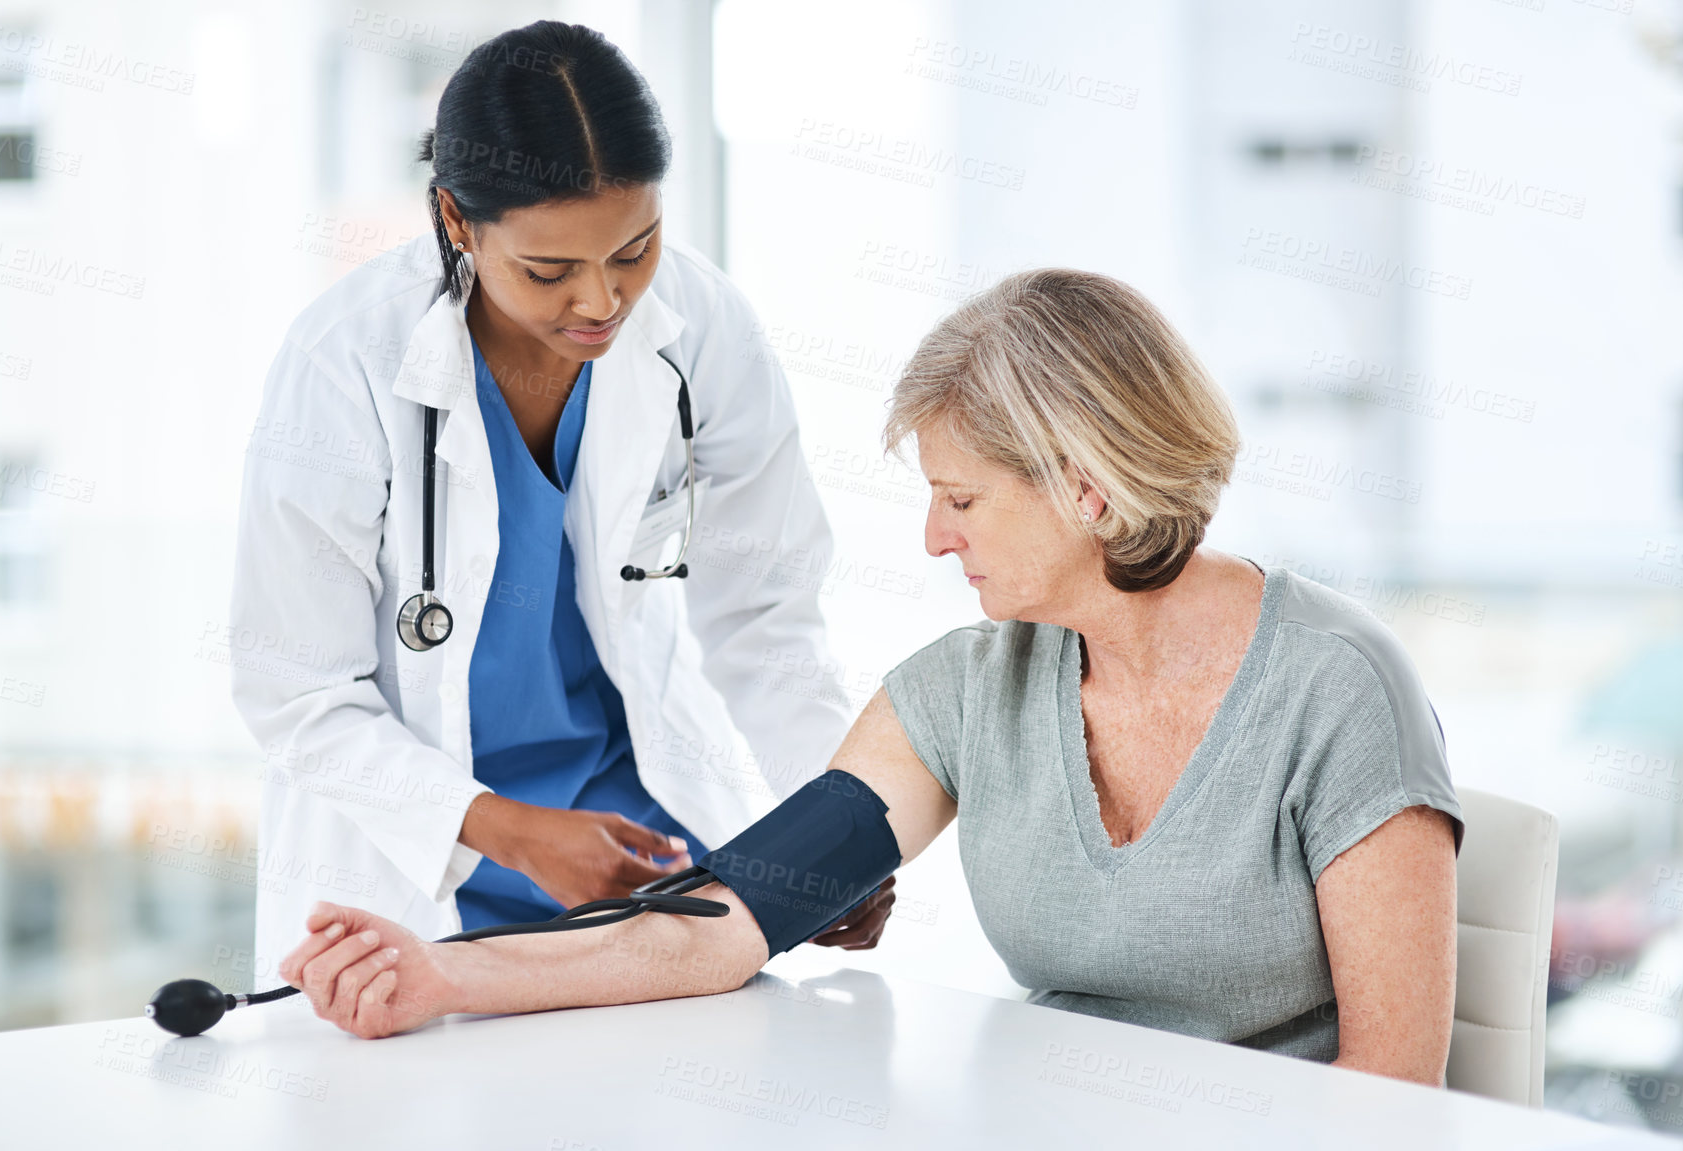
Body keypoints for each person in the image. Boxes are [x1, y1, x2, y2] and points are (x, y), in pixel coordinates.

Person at [274, 268, 1463, 1086]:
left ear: (1088, 485)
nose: (936, 540)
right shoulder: (959, 693)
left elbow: (1391, 1096)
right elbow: (720, 927)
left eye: (962, 499)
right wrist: (439, 974)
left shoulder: (1337, 688)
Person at [230, 21, 894, 976]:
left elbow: (765, 614)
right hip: (415, 867)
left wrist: (837, 832)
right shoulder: (343, 364)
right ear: (457, 221)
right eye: (548, 271)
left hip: (640, 850)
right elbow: (295, 690)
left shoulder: (701, 330)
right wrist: (512, 829)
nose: (601, 302)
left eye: (635, 249)